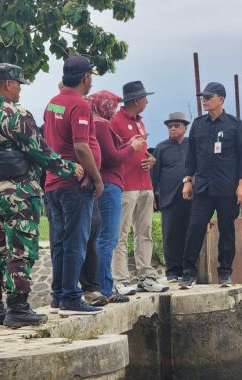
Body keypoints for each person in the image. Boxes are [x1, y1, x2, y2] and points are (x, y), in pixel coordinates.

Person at [0, 63, 83, 328]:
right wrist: (70, 169)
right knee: (21, 249)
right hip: (20, 192)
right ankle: (18, 307)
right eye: (19, 83)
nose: (20, 89)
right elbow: (39, 151)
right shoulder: (17, 114)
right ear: (8, 84)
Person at [44, 55, 104, 315]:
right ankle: (70, 295)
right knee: (76, 242)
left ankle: (58, 295)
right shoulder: (79, 105)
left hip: (53, 183)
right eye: (91, 76)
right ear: (86, 77)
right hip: (74, 185)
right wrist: (97, 177)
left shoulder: (52, 103)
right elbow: (80, 145)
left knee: (60, 241)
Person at [180, 82, 242, 289]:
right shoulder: (198, 124)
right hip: (203, 187)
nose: (204, 100)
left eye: (208, 97)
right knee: (195, 227)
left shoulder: (234, 125)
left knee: (227, 229)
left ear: (221, 99)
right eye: (203, 97)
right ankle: (188, 273)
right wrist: (187, 181)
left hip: (227, 187)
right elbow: (191, 156)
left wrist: (241, 185)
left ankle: (225, 273)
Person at [110, 81, 169, 294]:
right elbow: (112, 152)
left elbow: (139, 150)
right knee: (121, 233)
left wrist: (150, 159)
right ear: (135, 100)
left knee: (145, 231)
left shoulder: (140, 122)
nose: (147, 101)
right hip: (126, 185)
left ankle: (146, 276)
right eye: (144, 97)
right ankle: (121, 279)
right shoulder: (115, 121)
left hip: (145, 183)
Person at [89, 90, 144, 302]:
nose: (115, 109)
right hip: (110, 184)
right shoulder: (101, 124)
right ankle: (105, 287)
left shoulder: (94, 123)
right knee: (108, 238)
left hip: (106, 184)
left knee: (102, 237)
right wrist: (131, 147)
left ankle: (102, 285)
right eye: (112, 105)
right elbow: (111, 158)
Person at [151, 112, 191, 283]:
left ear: (185, 127)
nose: (173, 128)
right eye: (170, 126)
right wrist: (152, 195)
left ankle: (188, 270)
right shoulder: (161, 148)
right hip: (169, 197)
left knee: (191, 233)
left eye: (177, 125)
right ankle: (173, 271)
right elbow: (154, 174)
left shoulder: (192, 145)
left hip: (192, 197)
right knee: (171, 234)